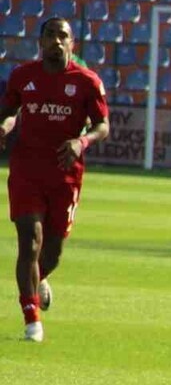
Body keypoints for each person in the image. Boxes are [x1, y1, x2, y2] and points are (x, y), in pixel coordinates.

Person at [0, 18, 110, 343]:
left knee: (51, 252)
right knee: (29, 242)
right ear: (41, 42)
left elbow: (103, 125)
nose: (56, 41)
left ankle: (40, 279)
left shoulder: (87, 82)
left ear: (72, 43)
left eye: (63, 36)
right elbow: (9, 111)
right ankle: (31, 319)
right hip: (26, 170)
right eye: (50, 35)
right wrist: (5, 127)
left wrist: (81, 142)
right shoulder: (23, 76)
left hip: (65, 173)